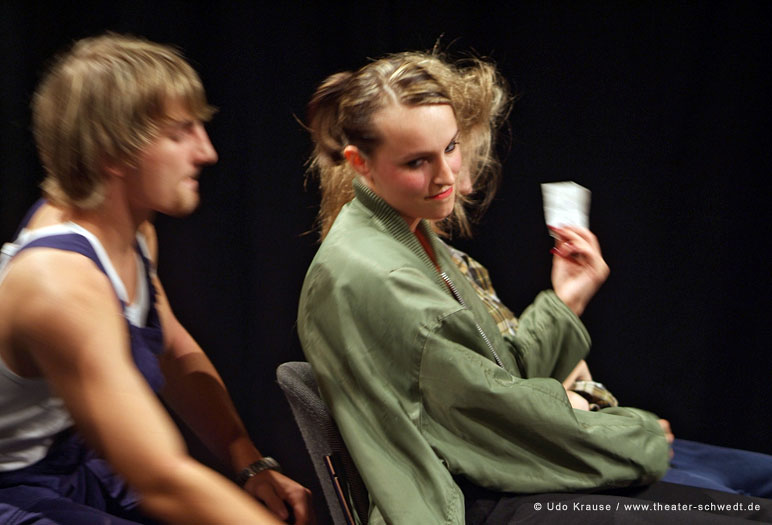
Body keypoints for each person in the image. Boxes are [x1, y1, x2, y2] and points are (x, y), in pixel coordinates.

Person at [297, 50, 771, 524]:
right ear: (360, 163)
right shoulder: (379, 274)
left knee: (753, 510)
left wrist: (568, 298)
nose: (447, 175)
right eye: (417, 161)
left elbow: (501, 373)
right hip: (461, 503)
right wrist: (636, 437)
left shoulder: (410, 238)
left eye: (450, 147)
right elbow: (498, 420)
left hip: (493, 482)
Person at [0, 33, 312, 524]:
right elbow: (161, 479)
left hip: (72, 463)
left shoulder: (133, 232)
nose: (206, 152)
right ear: (111, 149)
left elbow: (170, 347)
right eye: (179, 133)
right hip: (14, 489)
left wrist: (247, 460)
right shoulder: (58, 283)